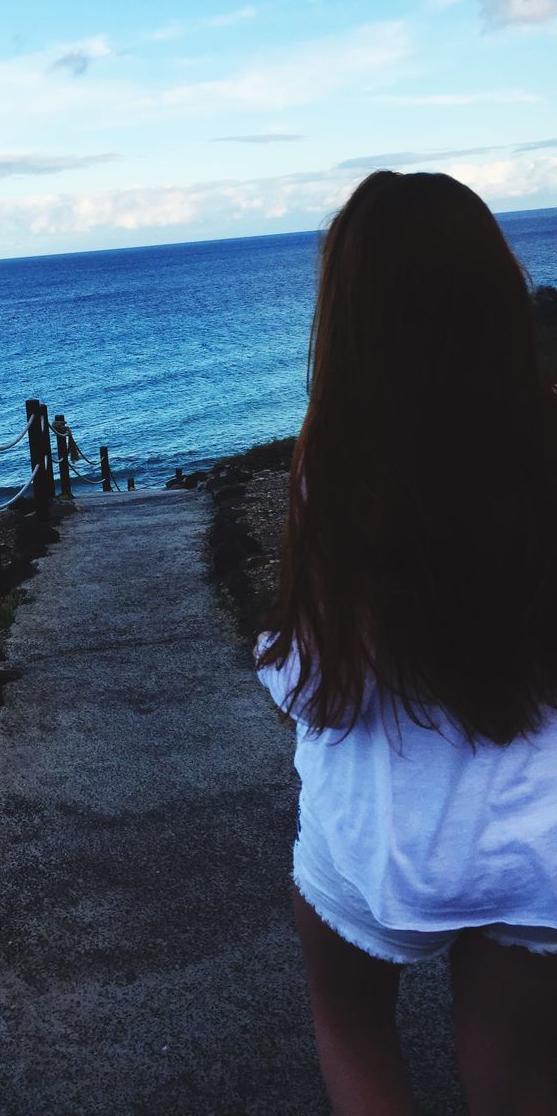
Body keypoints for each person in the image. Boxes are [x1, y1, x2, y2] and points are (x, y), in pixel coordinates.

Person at [255, 170, 557, 1115]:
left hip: (384, 826)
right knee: (518, 1072)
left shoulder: (332, 467)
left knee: (352, 1028)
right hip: (534, 828)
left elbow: (320, 684)